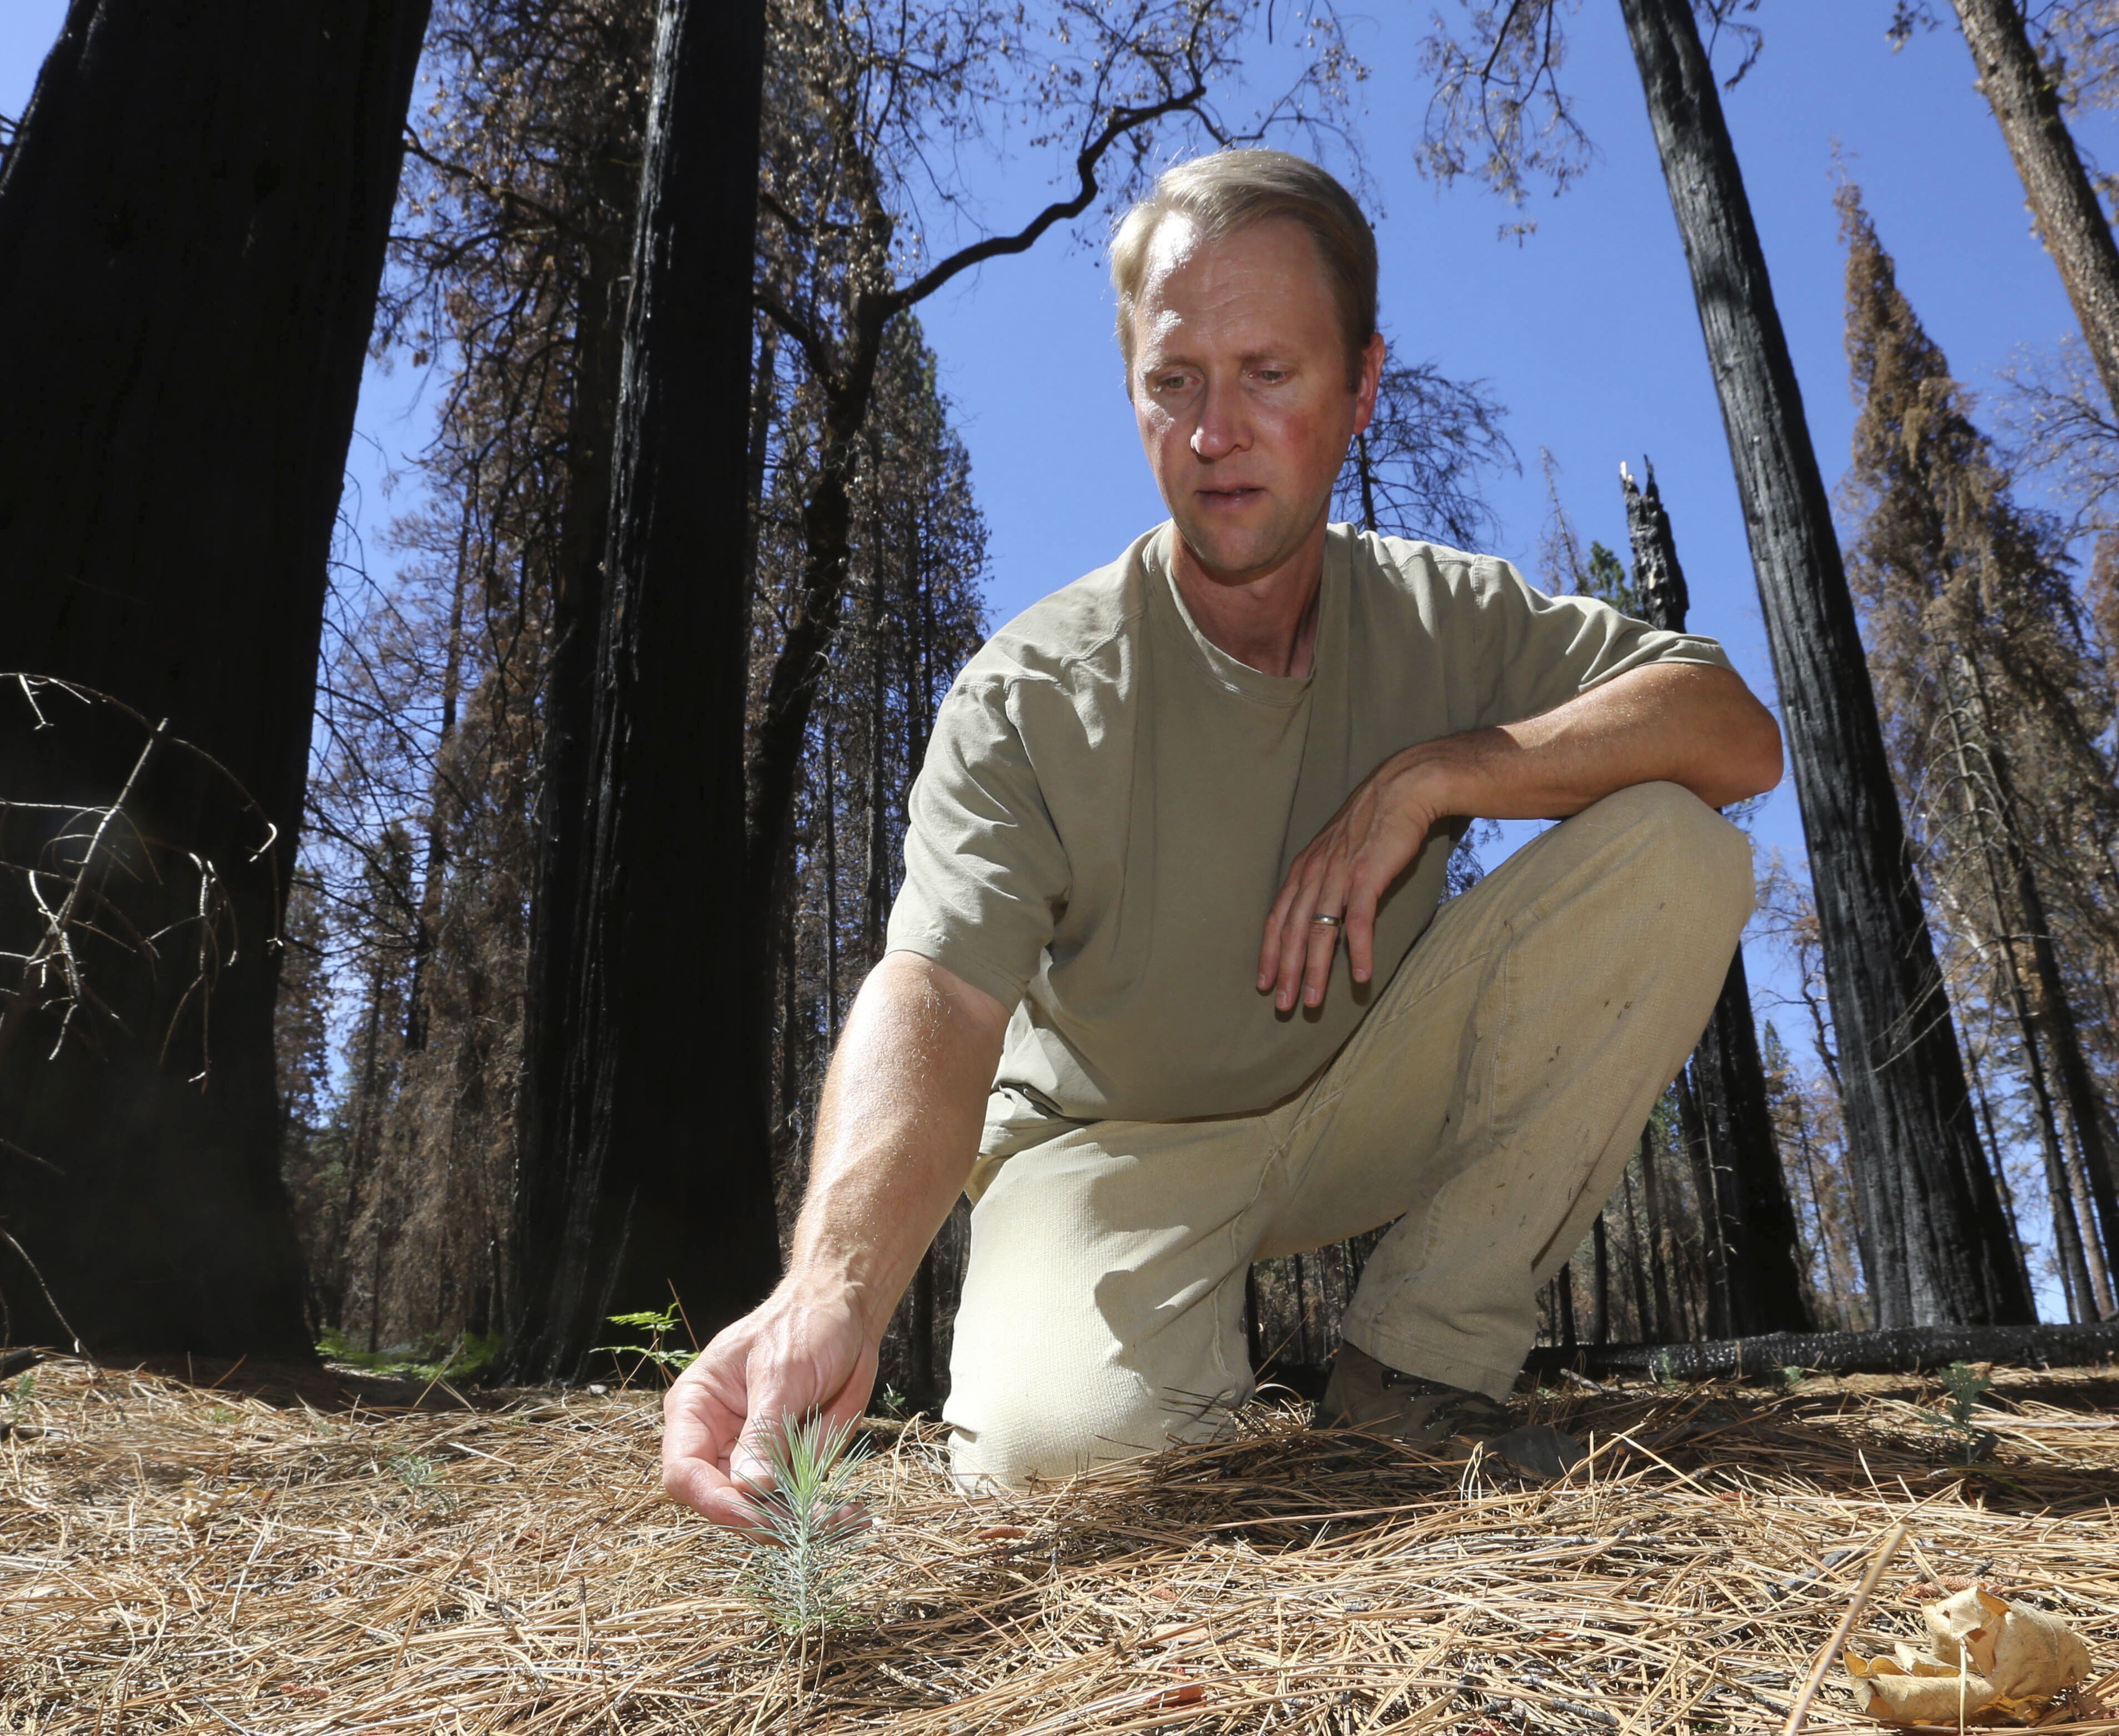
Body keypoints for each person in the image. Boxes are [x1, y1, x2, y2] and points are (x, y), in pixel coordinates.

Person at [662, 148, 1782, 1518]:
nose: (1214, 432)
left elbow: (1734, 730)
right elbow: (940, 993)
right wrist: (829, 1286)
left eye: (1270, 373)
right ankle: (1165, 1386)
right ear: (1132, 393)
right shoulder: (1031, 694)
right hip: (1108, 1151)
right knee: (1065, 1461)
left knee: (1675, 846)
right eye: (1174, 379)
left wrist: (1438, 772)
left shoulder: (1448, 612)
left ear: (1363, 386)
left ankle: (1420, 1365)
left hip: (1371, 1089)